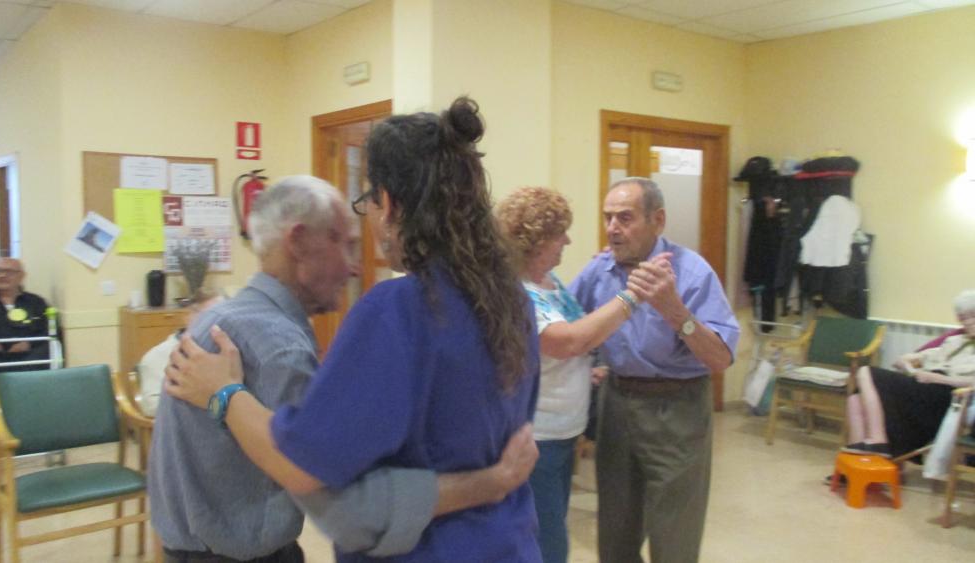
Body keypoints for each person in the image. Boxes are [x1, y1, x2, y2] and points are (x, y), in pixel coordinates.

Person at [164, 97, 542, 562]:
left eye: (366, 205)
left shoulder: (398, 311)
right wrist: (491, 483)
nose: (353, 263)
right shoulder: (514, 303)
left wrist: (223, 393)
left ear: (389, 204)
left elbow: (304, 468)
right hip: (508, 543)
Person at [570, 177, 740, 563]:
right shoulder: (600, 269)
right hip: (616, 403)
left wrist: (674, 310)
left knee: (674, 534)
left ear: (657, 220)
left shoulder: (692, 272)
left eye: (625, 218)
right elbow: (565, 322)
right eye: (608, 218)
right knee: (615, 530)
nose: (613, 228)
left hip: (677, 408)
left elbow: (720, 359)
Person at [496, 186, 664, 563]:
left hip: (563, 434)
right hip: (537, 437)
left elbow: (573, 336)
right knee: (548, 545)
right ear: (536, 240)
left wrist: (588, 367)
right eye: (560, 234)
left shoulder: (550, 282)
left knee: (551, 529)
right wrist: (632, 295)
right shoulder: (517, 293)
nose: (568, 241)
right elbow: (568, 341)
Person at [841, 289, 975, 459]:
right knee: (857, 394)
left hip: (947, 396)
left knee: (866, 372)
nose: (968, 322)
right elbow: (920, 356)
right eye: (963, 318)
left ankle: (878, 441)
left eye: (973, 315)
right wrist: (907, 363)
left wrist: (939, 378)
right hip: (924, 386)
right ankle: (857, 452)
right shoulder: (954, 340)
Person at [136, 290, 223, 416]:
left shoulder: (229, 354)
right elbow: (151, 407)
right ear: (189, 318)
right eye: (211, 317)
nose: (218, 325)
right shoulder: (157, 356)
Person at [0, 257, 56, 380]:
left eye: (9, 271)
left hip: (31, 358)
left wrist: (29, 343)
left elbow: (50, 331)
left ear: (21, 276)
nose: (2, 275)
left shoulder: (36, 302)